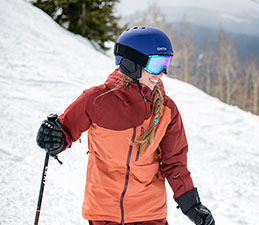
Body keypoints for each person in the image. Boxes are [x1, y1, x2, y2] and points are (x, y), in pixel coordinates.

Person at [36, 26, 215, 225]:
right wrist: (53, 137)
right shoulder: (96, 100)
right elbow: (65, 131)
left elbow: (174, 163)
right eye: (156, 64)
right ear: (132, 63)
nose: (162, 73)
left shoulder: (167, 109)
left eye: (167, 64)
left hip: (150, 214)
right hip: (104, 212)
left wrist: (191, 205)